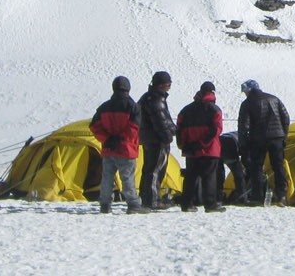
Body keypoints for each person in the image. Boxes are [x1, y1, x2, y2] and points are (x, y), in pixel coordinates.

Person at [88, 76, 150, 214]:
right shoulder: (133, 107)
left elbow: (94, 126)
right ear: (128, 88)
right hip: (126, 149)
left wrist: (107, 138)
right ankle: (133, 205)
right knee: (127, 178)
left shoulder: (104, 107)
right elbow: (134, 127)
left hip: (108, 149)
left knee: (107, 179)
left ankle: (105, 205)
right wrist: (120, 139)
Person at [237, 80, 290, 206]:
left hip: (258, 139)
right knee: (278, 166)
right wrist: (283, 135)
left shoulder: (247, 103)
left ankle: (258, 196)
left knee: (256, 167)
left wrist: (243, 144)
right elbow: (286, 118)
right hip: (277, 137)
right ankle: (281, 196)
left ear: (248, 91)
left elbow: (243, 126)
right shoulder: (274, 99)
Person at [176, 81, 225, 213]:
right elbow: (216, 130)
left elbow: (179, 129)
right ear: (212, 93)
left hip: (190, 149)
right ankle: (210, 204)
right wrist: (202, 144)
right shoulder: (215, 110)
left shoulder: (186, 110)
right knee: (209, 177)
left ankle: (186, 203)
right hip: (209, 149)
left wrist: (183, 145)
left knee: (191, 177)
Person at [137, 70, 176, 209]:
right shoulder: (157, 99)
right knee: (155, 170)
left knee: (148, 169)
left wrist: (173, 128)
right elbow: (160, 120)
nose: (170, 86)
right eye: (168, 84)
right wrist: (168, 135)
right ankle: (152, 200)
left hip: (147, 139)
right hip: (157, 140)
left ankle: (146, 197)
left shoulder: (147, 97)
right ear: (162, 85)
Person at [217, 131, 250, 205]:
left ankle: (218, 197)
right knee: (238, 174)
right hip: (230, 145)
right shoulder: (248, 139)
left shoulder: (241, 133)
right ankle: (243, 198)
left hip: (218, 143)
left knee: (219, 175)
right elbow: (246, 157)